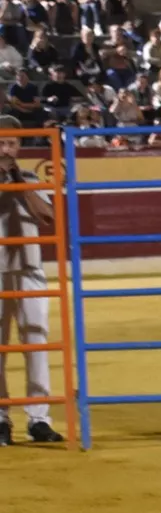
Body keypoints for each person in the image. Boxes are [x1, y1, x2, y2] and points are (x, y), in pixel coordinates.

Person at [0, 115, 64, 444]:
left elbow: (48, 216)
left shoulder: (29, 177)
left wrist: (17, 182)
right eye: (0, 143)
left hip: (29, 270)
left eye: (11, 143)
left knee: (36, 342)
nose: (5, 149)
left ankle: (39, 418)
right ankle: (1, 418)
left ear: (20, 146)